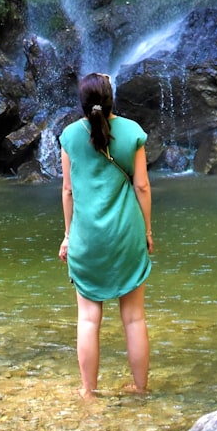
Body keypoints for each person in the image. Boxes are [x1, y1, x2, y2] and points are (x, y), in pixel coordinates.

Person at [58, 72, 154, 400]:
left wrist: (68, 236)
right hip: (126, 235)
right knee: (134, 318)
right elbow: (141, 186)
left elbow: (68, 190)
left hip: (87, 239)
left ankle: (88, 392)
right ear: (112, 100)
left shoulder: (70, 136)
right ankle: (140, 389)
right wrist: (148, 231)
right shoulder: (132, 133)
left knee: (87, 319)